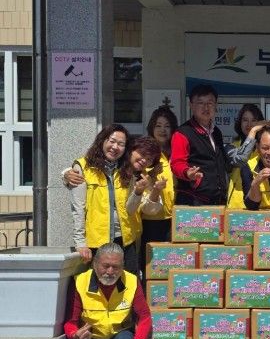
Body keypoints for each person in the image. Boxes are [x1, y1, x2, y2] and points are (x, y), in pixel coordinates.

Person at [66, 132, 164, 275]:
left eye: (149, 159)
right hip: (97, 239)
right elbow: (78, 207)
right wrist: (66, 174)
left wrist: (152, 191)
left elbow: (141, 209)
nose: (144, 160)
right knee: (99, 280)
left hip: (127, 239)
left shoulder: (141, 177)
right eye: (142, 154)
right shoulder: (107, 168)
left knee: (128, 280)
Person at [170, 84, 255, 205]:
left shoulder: (216, 132)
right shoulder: (182, 133)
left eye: (210, 103)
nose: (206, 107)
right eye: (200, 103)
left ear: (216, 105)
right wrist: (187, 172)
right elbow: (176, 163)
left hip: (217, 200)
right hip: (193, 201)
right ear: (191, 105)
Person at [138, 107, 178, 274]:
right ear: (151, 128)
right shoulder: (144, 152)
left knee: (173, 264)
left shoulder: (177, 152)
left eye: (167, 126)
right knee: (151, 267)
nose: (163, 130)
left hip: (175, 218)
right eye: (158, 125)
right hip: (151, 219)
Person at [227, 104, 270, 209]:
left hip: (263, 202)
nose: (249, 124)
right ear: (240, 122)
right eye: (245, 120)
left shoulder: (266, 148)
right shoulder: (231, 146)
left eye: (254, 120)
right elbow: (241, 160)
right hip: (237, 204)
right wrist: (253, 131)